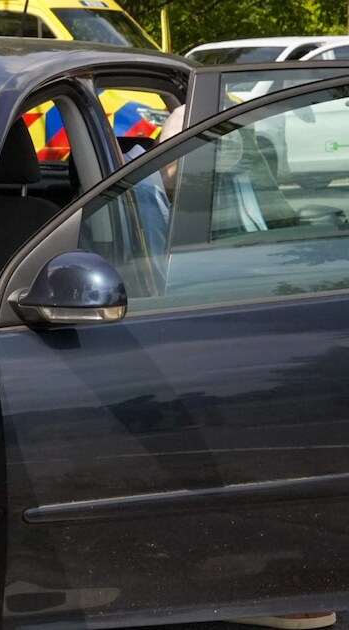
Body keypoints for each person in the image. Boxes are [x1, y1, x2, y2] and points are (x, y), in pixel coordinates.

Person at [133, 106, 336, 630]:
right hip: (159, 340)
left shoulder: (211, 186)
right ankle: (260, 585)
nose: (218, 179)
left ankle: (277, 577)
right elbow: (157, 286)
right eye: (207, 167)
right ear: (178, 157)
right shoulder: (145, 197)